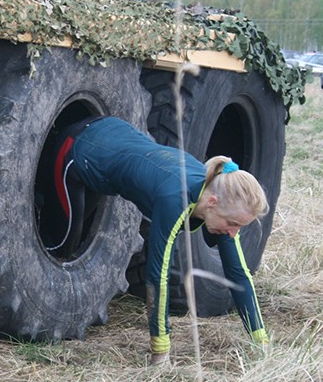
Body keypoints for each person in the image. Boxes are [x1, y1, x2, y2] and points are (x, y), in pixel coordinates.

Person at [47, 116, 270, 366]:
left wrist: (260, 343)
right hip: (76, 151)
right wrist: (161, 353)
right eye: (233, 224)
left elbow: (238, 274)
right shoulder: (176, 199)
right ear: (211, 203)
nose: (233, 233)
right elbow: (157, 278)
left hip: (108, 136)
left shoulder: (217, 191)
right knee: (63, 245)